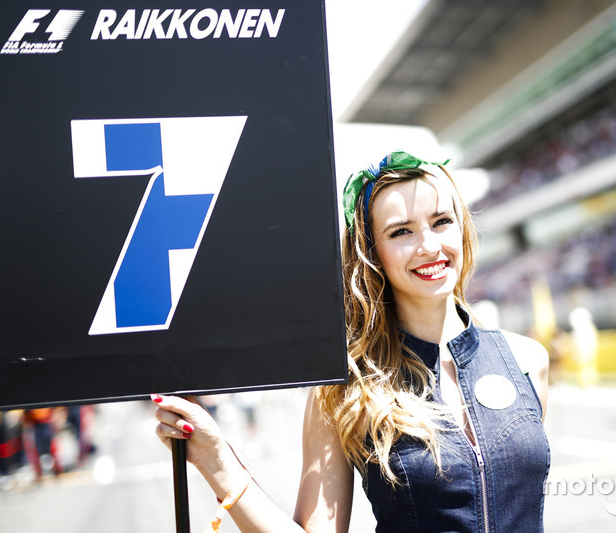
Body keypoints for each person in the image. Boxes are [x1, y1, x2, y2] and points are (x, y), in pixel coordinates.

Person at [153, 152, 550, 532]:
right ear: (372, 254)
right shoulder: (345, 385)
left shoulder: (527, 359)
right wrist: (216, 459)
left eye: (441, 221)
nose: (429, 245)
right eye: (401, 231)